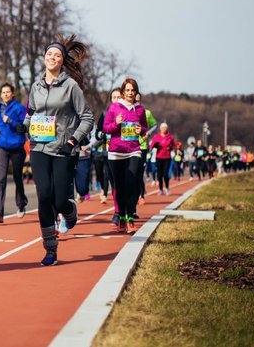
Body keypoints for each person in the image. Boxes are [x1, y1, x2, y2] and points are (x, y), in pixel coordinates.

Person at [20, 36, 94, 266]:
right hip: (40, 147)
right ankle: (50, 249)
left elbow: (87, 117)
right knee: (44, 197)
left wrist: (73, 140)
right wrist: (22, 125)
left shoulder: (71, 86)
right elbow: (31, 115)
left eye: (57, 55)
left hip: (63, 149)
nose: (52, 58)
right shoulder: (36, 87)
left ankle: (70, 211)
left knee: (60, 200)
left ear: (62, 61)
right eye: (49, 54)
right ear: (44, 58)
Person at [103, 77, 148, 234]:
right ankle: (121, 216)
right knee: (120, 187)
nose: (130, 92)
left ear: (136, 92)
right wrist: (116, 123)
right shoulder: (114, 107)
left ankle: (129, 217)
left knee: (131, 183)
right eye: (127, 90)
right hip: (116, 152)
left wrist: (140, 131)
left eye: (132, 90)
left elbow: (144, 129)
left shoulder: (140, 109)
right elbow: (106, 128)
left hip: (133, 150)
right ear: (122, 92)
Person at [0, 83, 29, 222]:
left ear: (13, 94)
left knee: (17, 177)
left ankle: (21, 204)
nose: (5, 94)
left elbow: (23, 127)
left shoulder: (19, 108)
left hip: (17, 147)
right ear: (1, 94)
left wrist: (11, 121)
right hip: (2, 146)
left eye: (8, 92)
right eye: (3, 92)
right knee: (1, 178)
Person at [150, 122, 175, 195]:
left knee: (165, 174)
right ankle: (160, 189)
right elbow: (151, 146)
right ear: (160, 129)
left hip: (167, 157)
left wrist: (170, 148)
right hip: (158, 157)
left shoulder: (170, 137)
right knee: (159, 174)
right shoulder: (156, 137)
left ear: (167, 129)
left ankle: (167, 188)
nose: (164, 129)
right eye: (162, 128)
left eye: (165, 128)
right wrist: (155, 146)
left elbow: (173, 146)